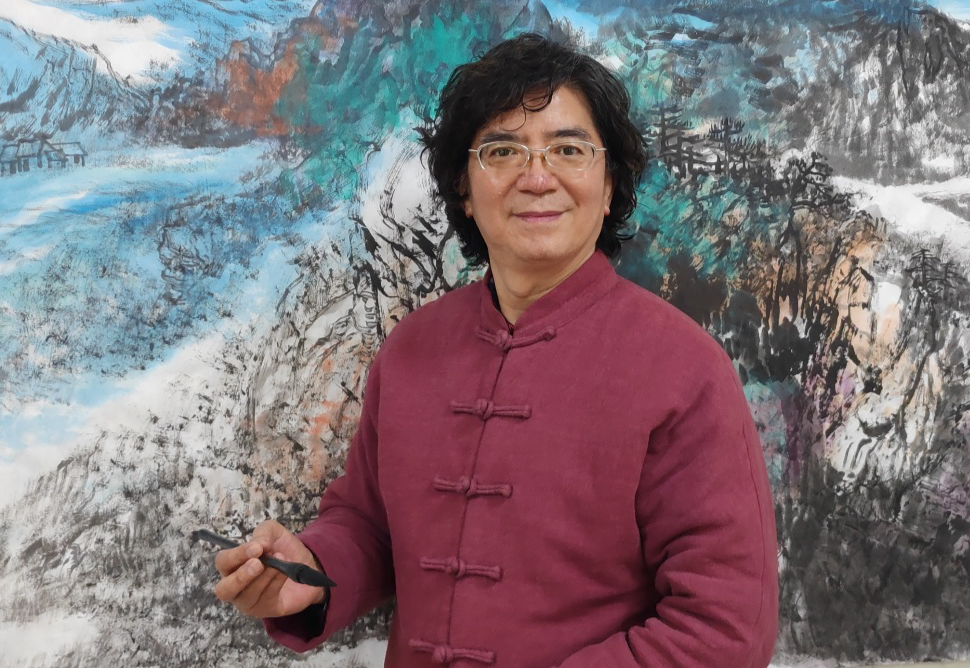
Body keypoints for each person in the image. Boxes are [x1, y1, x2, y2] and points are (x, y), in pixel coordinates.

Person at [213, 33, 779, 667]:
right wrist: (310, 571)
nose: (537, 178)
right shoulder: (412, 348)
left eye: (569, 150)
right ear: (463, 186)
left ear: (610, 185)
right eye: (503, 151)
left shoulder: (685, 369)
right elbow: (369, 525)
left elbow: (724, 628)